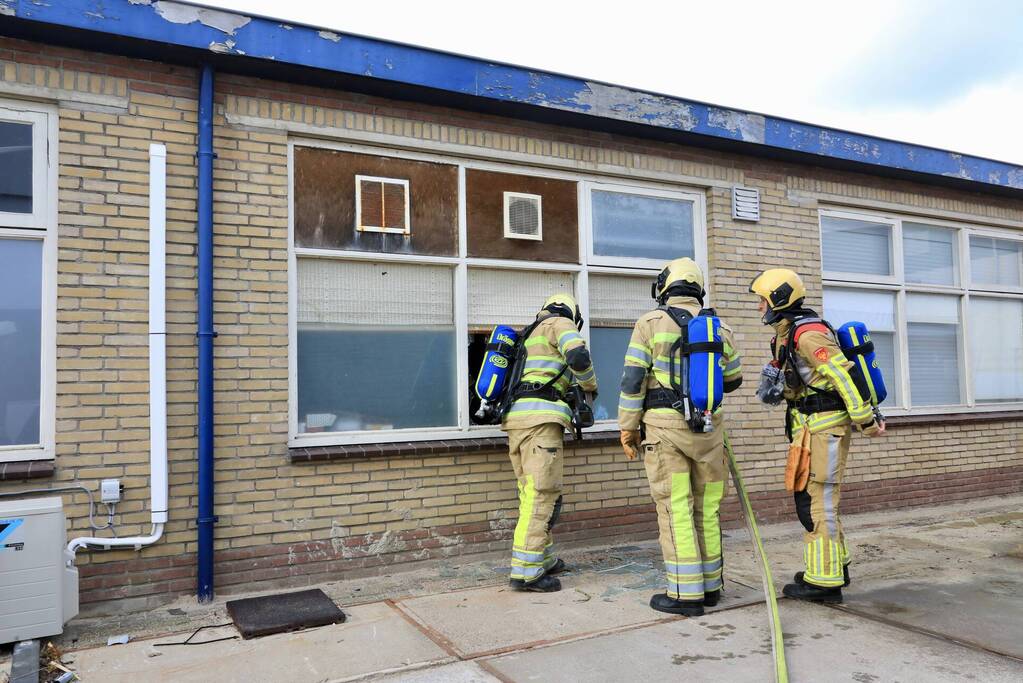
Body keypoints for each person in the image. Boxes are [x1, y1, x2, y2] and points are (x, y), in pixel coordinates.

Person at [749, 268, 884, 603]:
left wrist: (866, 421)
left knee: (818, 502)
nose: (759, 307)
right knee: (816, 501)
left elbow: (843, 378)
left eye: (762, 301)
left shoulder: (808, 335)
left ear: (779, 300)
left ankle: (824, 584)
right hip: (810, 428)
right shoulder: (787, 333)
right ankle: (831, 566)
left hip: (825, 428)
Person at [618, 258, 742, 616]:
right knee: (707, 509)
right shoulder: (720, 327)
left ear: (665, 287)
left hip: (664, 428)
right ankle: (711, 586)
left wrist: (627, 427)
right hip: (710, 431)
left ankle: (684, 594)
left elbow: (632, 380)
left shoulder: (650, 323)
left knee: (676, 510)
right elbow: (733, 379)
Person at [502, 292, 597, 593]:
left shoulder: (529, 335)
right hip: (541, 421)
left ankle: (544, 557)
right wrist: (590, 384)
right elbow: (579, 356)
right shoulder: (559, 323)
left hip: (517, 420)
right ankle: (527, 572)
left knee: (531, 493)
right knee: (542, 494)